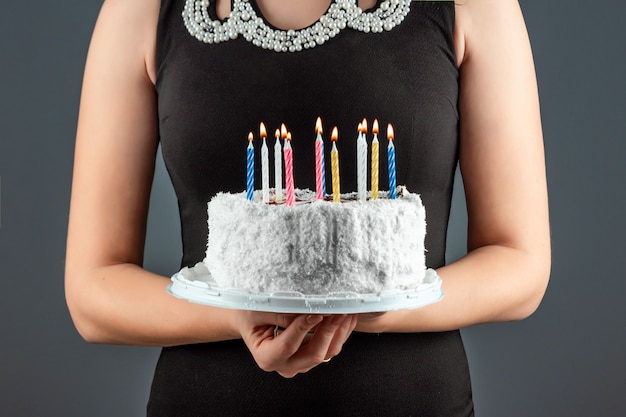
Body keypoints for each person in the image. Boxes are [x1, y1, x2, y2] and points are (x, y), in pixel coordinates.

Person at [65, 0, 550, 415]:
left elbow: (520, 263)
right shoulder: (142, 10)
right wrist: (239, 316)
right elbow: (93, 291)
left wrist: (374, 304)